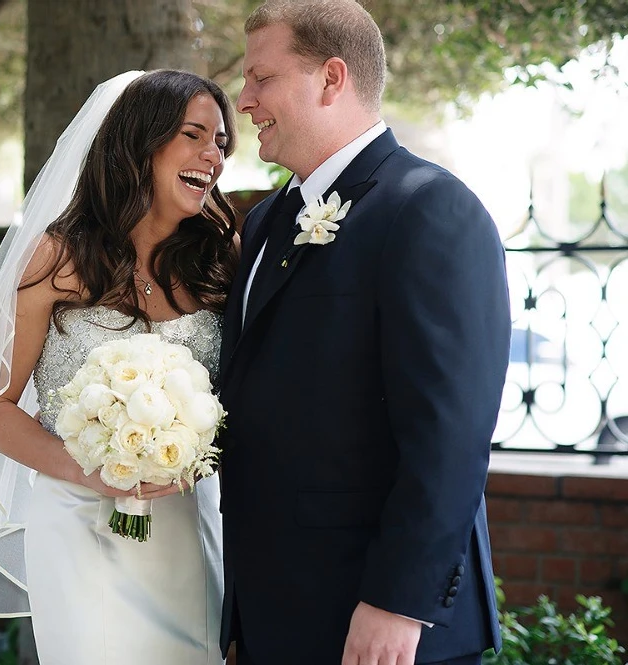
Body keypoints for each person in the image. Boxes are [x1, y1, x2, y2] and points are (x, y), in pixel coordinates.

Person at [0, 69, 239, 665]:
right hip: (80, 523)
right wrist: (96, 474)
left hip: (188, 515)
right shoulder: (58, 255)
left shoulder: (220, 259)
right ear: (138, 144)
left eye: (221, 142)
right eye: (194, 135)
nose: (214, 156)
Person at [217, 2, 510, 664]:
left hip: (375, 624)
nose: (245, 100)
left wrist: (398, 602)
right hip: (272, 613)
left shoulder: (430, 208)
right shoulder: (263, 223)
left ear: (330, 78)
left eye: (261, 78)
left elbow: (451, 434)